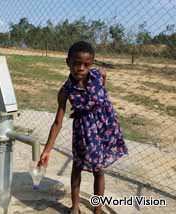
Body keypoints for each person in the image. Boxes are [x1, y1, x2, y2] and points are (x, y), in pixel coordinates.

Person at [38, 41, 128, 214]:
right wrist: (47, 150)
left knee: (99, 171)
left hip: (103, 130)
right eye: (76, 63)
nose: (81, 68)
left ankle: (98, 209)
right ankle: (75, 207)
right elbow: (58, 122)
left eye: (86, 64)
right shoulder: (66, 91)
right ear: (68, 62)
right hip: (83, 132)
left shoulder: (98, 76)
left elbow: (101, 90)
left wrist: (103, 80)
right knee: (77, 168)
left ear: (91, 64)